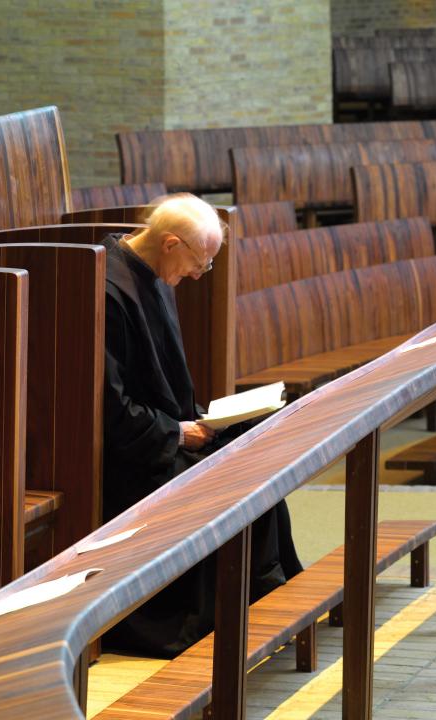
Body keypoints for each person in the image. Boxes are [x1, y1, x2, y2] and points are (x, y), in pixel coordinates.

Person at [99, 194, 302, 658]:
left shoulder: (152, 273)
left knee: (255, 458)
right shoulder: (109, 289)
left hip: (167, 428)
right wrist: (176, 432)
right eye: (199, 263)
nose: (197, 274)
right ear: (171, 243)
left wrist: (202, 421)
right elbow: (109, 407)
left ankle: (268, 592)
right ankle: (226, 610)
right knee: (223, 481)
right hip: (132, 451)